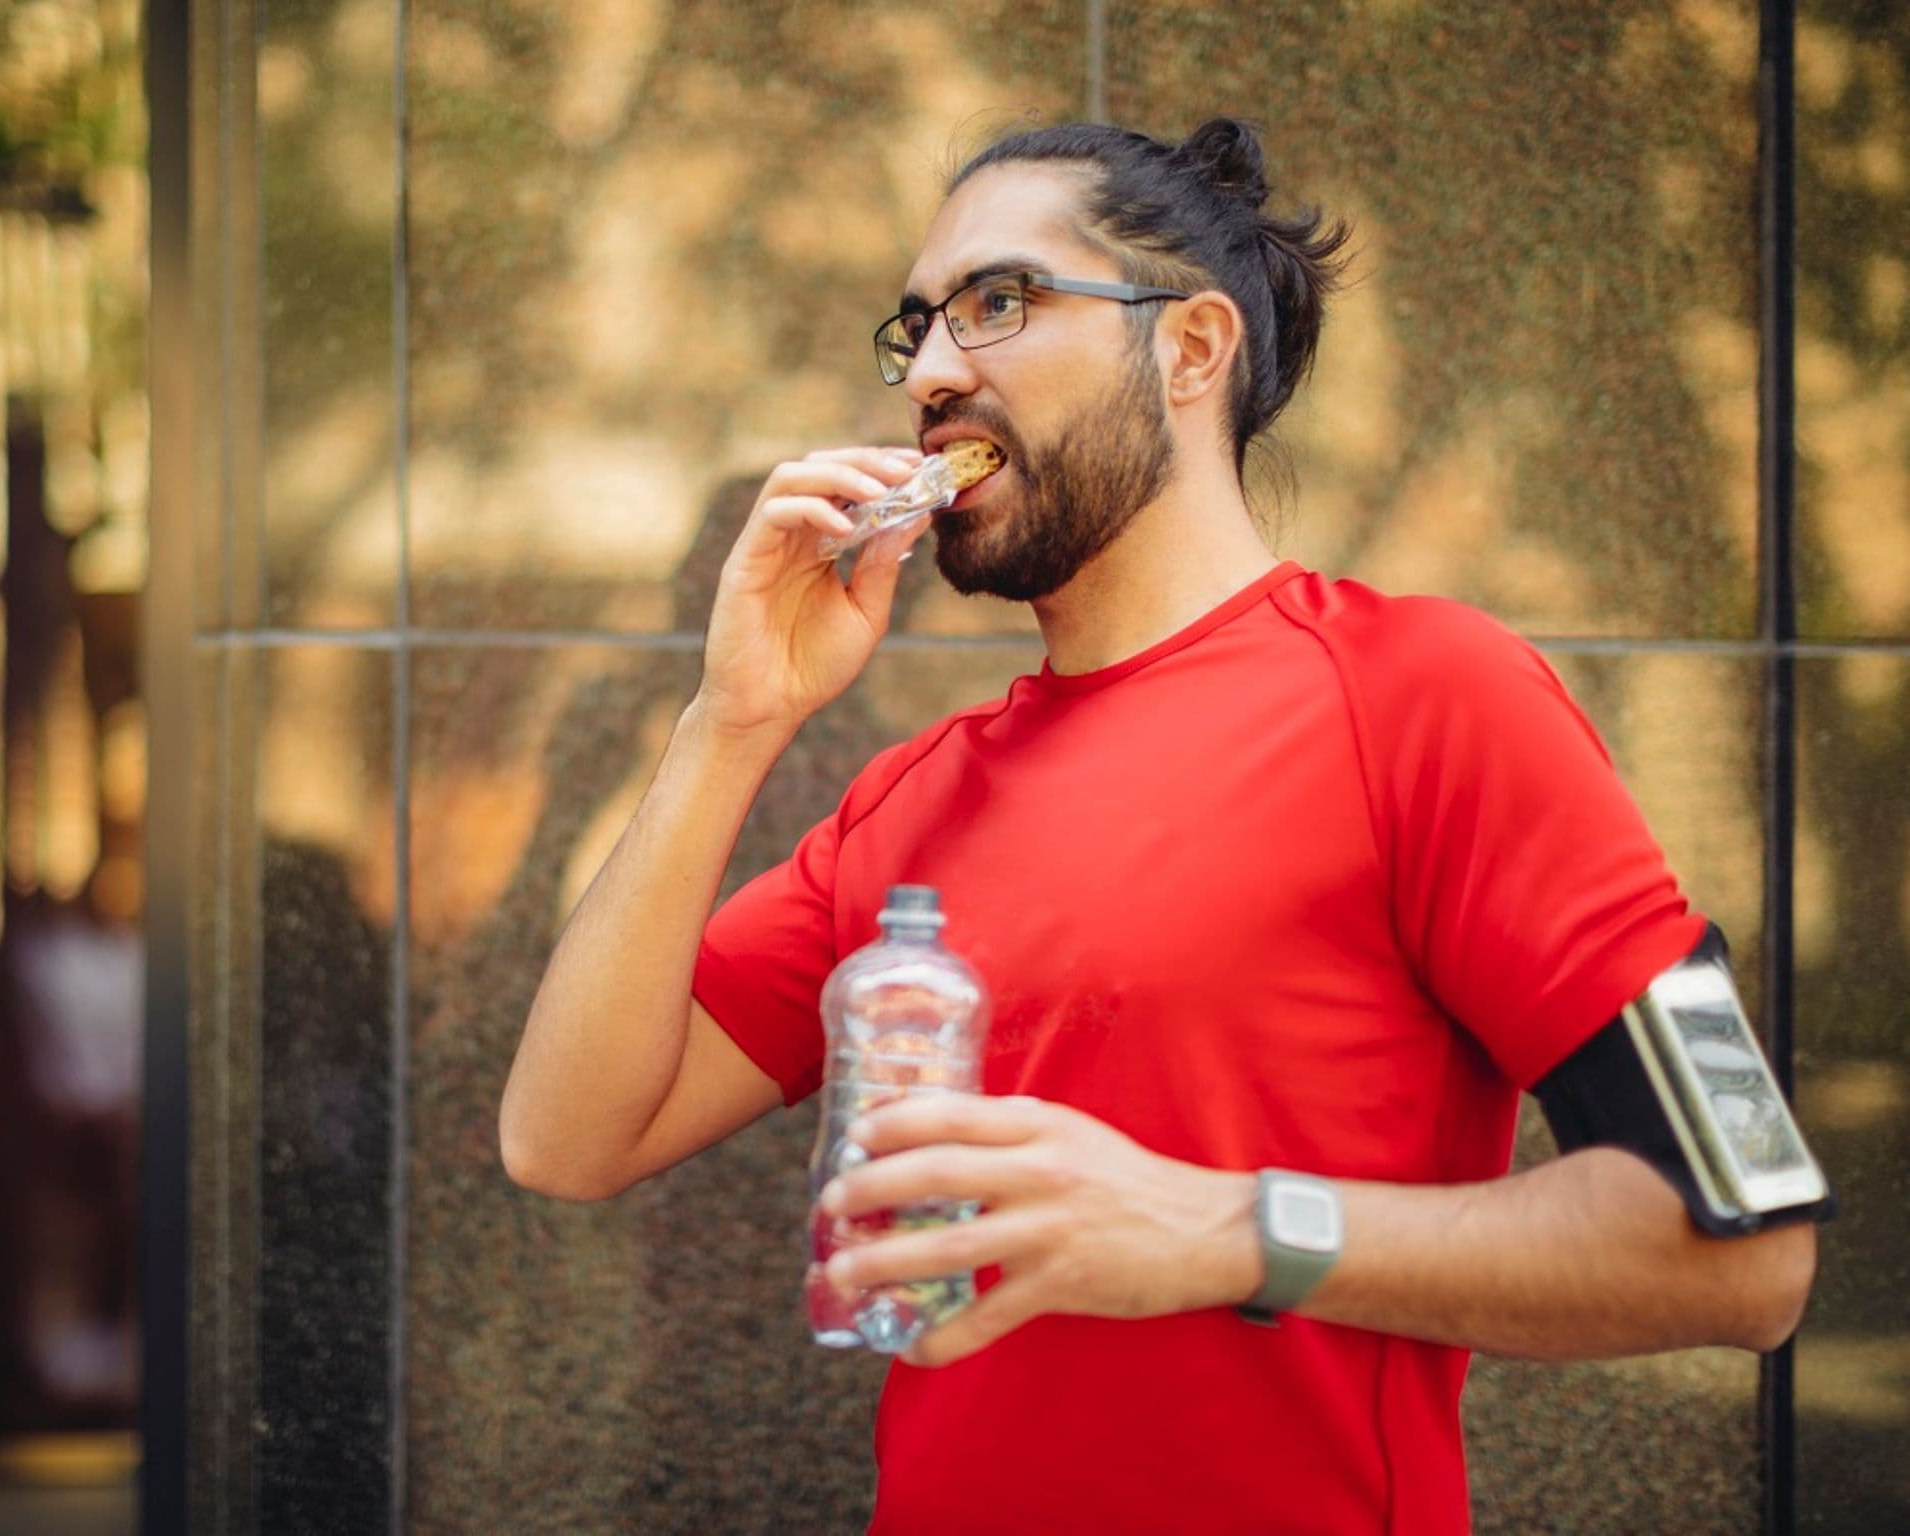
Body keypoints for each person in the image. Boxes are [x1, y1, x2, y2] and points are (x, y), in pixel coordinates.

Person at [500, 118, 1822, 1534]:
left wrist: (1218, 1230)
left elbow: (1743, 1250)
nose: (934, 373)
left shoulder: (1430, 696)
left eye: (998, 304)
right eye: (918, 328)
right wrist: (732, 718)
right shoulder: (910, 799)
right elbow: (568, 1139)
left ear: (1190, 350)